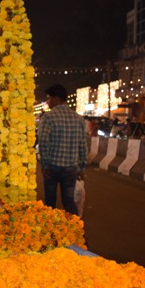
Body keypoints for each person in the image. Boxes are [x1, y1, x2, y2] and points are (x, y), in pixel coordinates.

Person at [38, 84, 87, 216]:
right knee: (69, 201)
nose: (48, 102)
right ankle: (75, 230)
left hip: (52, 168)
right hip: (70, 168)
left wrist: (45, 164)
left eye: (49, 99)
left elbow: (43, 142)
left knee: (50, 201)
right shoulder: (79, 119)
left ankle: (50, 230)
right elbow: (82, 145)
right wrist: (81, 168)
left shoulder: (48, 117)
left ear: (55, 99)